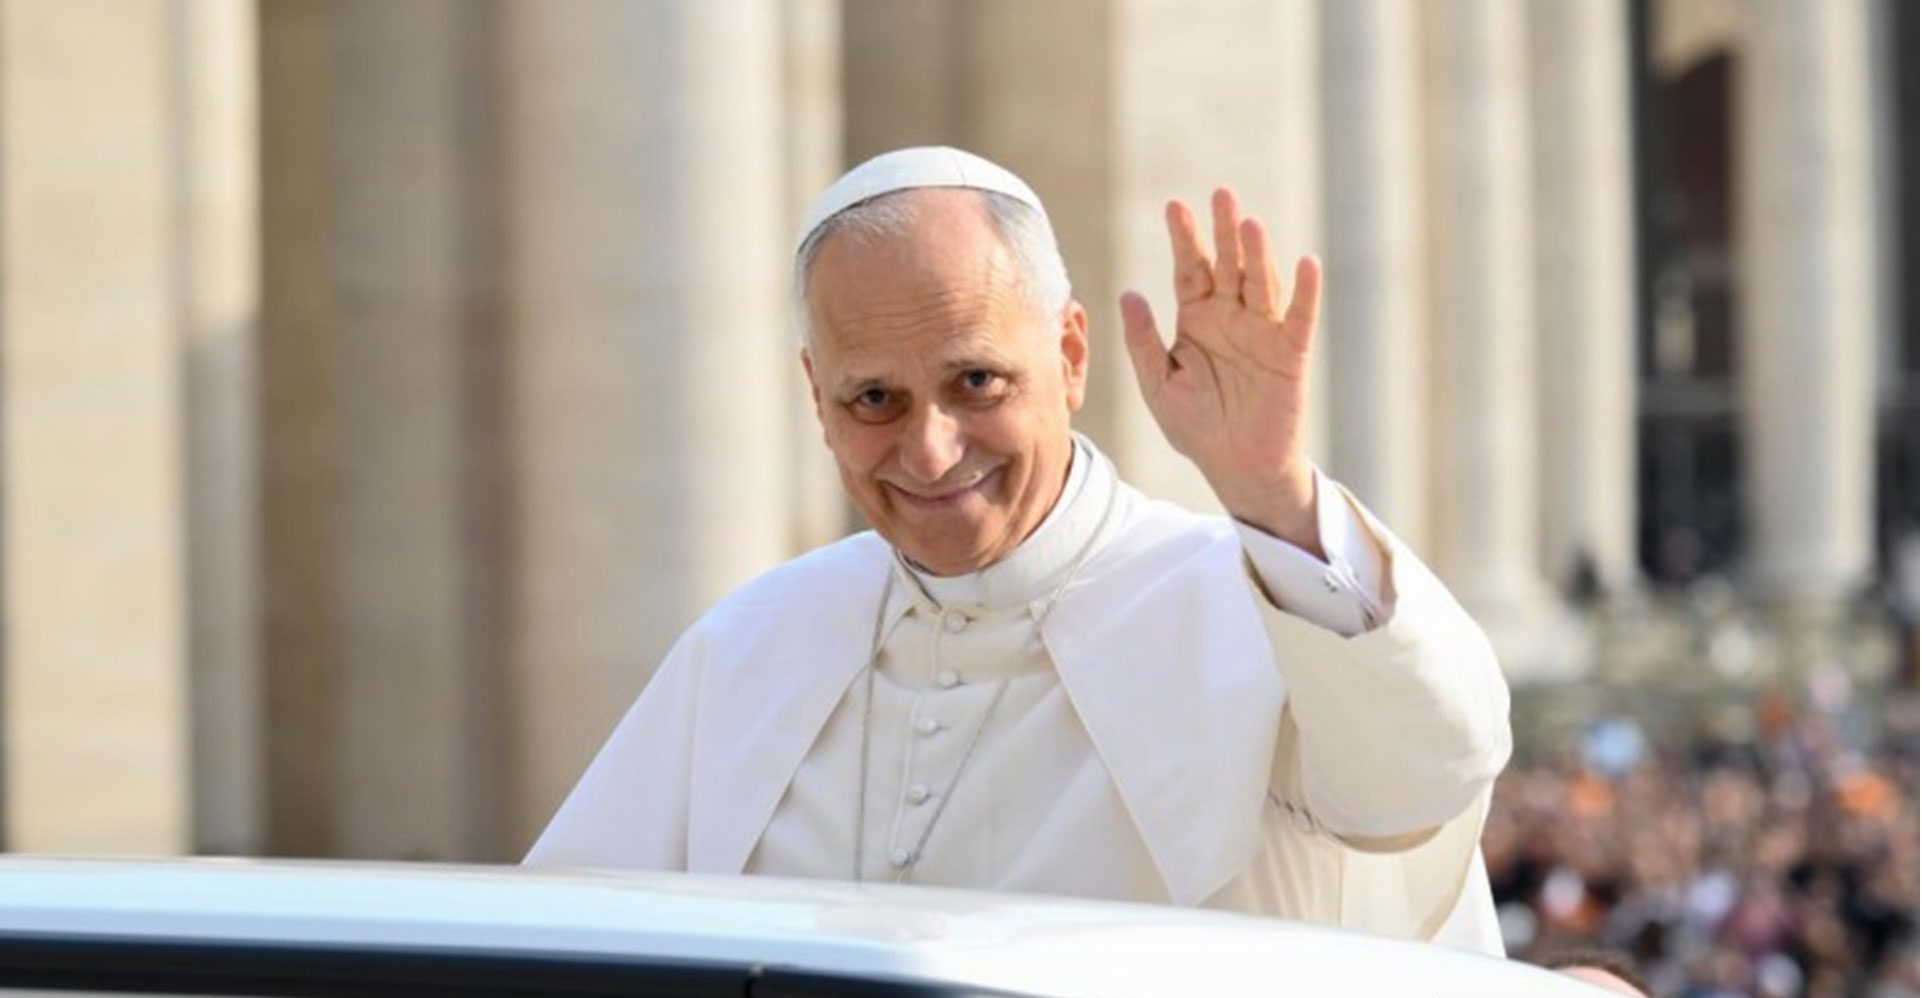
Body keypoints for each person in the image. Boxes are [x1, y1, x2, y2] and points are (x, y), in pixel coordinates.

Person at [524, 146, 1513, 954]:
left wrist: (1273, 493)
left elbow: (1429, 769)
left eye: (976, 382)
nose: (929, 450)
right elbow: (565, 942)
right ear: (818, 400)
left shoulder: (1250, 601)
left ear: (1070, 356)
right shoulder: (752, 642)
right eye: (874, 398)